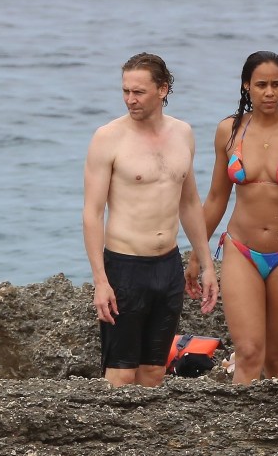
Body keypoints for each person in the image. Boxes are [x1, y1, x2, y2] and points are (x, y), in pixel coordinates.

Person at [185, 51, 278, 384]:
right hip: (241, 249)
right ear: (247, 85)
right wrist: (197, 256)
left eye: (276, 84)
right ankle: (237, 419)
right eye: (261, 85)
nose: (269, 92)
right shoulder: (229, 131)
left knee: (275, 357)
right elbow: (216, 199)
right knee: (248, 353)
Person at [83, 52, 219, 388]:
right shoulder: (108, 137)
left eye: (139, 92)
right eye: (125, 91)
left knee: (154, 373)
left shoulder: (183, 133)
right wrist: (100, 281)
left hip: (167, 267)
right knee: (120, 375)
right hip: (124, 267)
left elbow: (189, 203)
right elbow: (93, 213)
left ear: (162, 89)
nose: (130, 99)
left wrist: (207, 265)